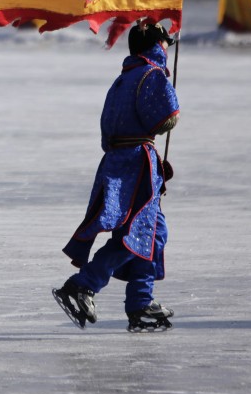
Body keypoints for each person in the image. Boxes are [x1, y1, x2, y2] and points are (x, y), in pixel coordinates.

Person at [53, 20, 180, 332]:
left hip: (118, 161)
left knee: (152, 232)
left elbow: (108, 131)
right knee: (134, 235)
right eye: (164, 43)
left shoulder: (122, 78)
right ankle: (83, 285)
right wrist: (172, 112)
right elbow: (166, 118)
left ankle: (140, 300)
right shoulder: (152, 74)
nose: (166, 48)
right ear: (155, 45)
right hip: (136, 164)